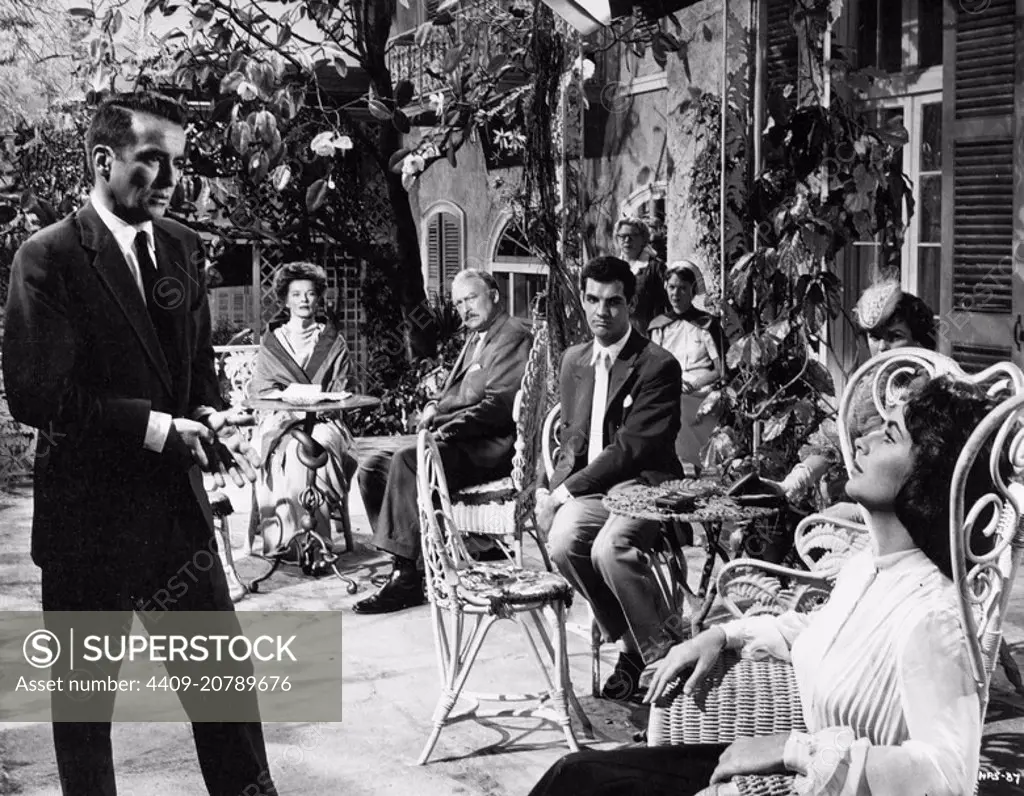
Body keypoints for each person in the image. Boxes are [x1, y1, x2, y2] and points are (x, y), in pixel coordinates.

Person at [528, 375, 994, 796]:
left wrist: (792, 749)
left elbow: (948, 777)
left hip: (812, 781)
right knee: (574, 776)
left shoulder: (934, 617)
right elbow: (816, 628)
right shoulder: (868, 567)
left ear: (928, 477)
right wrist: (724, 634)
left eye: (888, 433)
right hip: (791, 767)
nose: (864, 440)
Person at [2, 93, 277, 796]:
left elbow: (197, 365)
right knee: (86, 717)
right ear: (104, 160)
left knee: (225, 700)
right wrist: (159, 429)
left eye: (178, 164)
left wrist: (209, 414)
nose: (168, 179)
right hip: (86, 528)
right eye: (151, 160)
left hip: (177, 525)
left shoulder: (182, 246)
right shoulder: (49, 258)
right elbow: (40, 396)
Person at [536, 255, 683, 701]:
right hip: (594, 489)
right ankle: (634, 644)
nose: (603, 311)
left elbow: (630, 450)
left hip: (643, 485)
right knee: (562, 542)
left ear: (630, 304)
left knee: (609, 549)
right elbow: (571, 440)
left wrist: (562, 493)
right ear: (583, 300)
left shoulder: (658, 365)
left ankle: (662, 660)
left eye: (614, 302)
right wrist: (547, 490)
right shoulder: (573, 360)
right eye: (594, 300)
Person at [354, 268, 532, 614]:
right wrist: (436, 407)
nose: (465, 309)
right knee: (372, 467)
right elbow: (463, 393)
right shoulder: (478, 337)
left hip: (488, 447)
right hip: (464, 440)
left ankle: (406, 580)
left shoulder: (511, 335)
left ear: (494, 295)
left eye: (472, 298)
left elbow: (498, 406)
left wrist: (443, 431)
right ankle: (414, 563)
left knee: (408, 459)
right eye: (459, 302)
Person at [248, 260, 358, 555]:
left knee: (311, 450)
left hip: (324, 419)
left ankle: (314, 547)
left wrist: (320, 402)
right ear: (285, 300)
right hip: (281, 417)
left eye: (309, 294)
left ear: (318, 297)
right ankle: (286, 541)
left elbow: (344, 389)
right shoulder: (272, 342)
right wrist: (287, 404)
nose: (304, 301)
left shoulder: (333, 342)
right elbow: (260, 389)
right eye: (296, 295)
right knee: (281, 454)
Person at [647, 259, 725, 468]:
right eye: (672, 287)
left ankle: (692, 463)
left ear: (692, 290)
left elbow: (720, 369)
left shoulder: (706, 325)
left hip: (701, 390)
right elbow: (653, 367)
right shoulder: (659, 326)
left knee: (680, 404)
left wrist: (695, 384)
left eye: (682, 288)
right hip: (669, 386)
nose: (676, 294)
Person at [614, 216, 668, 334]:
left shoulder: (656, 268)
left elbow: (669, 307)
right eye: (622, 236)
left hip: (649, 337)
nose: (627, 240)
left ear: (643, 239)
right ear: (617, 239)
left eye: (632, 236)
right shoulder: (613, 268)